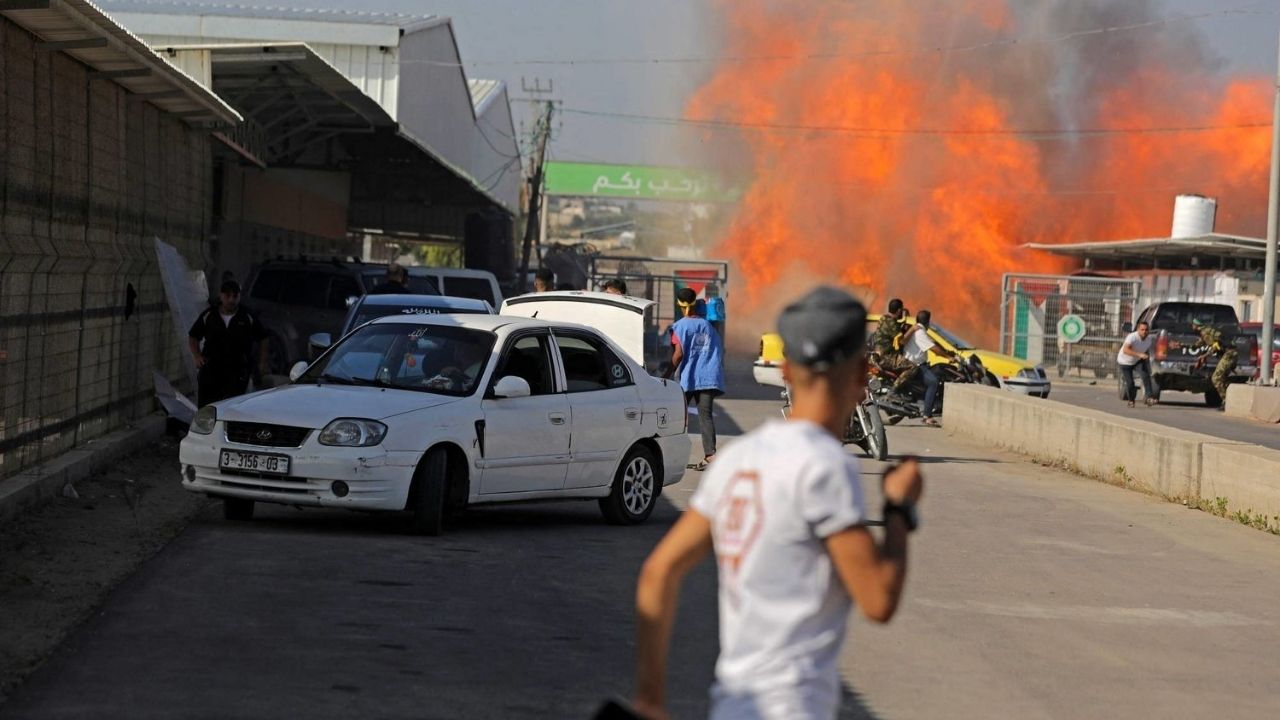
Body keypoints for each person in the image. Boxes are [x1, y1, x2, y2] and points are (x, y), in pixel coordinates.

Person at [633, 286, 923, 720]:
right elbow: (878, 599)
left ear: (786, 371)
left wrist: (650, 700)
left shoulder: (737, 460)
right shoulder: (826, 466)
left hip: (731, 706)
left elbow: (658, 574)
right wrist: (899, 509)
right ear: (863, 375)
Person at [666, 287, 725, 470]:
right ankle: (710, 456)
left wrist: (665, 374)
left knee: (677, 417)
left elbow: (678, 355)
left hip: (689, 378)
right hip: (709, 376)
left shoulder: (679, 326)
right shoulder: (708, 325)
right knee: (705, 416)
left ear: (679, 304)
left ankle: (670, 457)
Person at [188, 280, 269, 407]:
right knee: (207, 407)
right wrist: (197, 356)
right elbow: (193, 336)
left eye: (235, 296)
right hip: (211, 369)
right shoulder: (209, 315)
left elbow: (263, 337)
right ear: (221, 296)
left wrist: (262, 362)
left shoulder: (247, 316)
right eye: (227, 296)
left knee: (232, 407)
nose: (231, 300)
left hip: (237, 371)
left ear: (239, 296)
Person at [902, 309, 955, 427]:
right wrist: (948, 357)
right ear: (928, 322)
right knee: (933, 382)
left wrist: (947, 351)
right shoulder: (920, 332)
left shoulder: (918, 330)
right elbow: (933, 348)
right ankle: (927, 415)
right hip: (916, 366)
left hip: (916, 364)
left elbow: (934, 344)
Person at [1191, 317, 1237, 408]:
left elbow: (1215, 346)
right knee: (1222, 379)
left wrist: (1203, 356)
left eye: (1193, 324)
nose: (1191, 326)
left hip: (1229, 353)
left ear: (1197, 326)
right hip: (1230, 354)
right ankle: (1231, 398)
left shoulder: (1206, 333)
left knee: (1216, 378)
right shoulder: (1206, 332)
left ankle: (1226, 401)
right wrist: (1180, 345)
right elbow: (1196, 345)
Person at [871, 298, 914, 387]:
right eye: (901, 310)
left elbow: (895, 328)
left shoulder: (884, 318)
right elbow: (902, 341)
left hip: (880, 355)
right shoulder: (891, 322)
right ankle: (895, 391)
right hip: (886, 357)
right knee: (912, 367)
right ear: (898, 310)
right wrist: (913, 329)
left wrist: (904, 321)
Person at [1117, 321, 1157, 408]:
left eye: (1146, 330)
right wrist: (1139, 354)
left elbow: (1154, 347)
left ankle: (1149, 397)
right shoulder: (1132, 337)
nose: (1144, 332)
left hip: (1137, 361)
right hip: (1124, 362)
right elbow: (1125, 350)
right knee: (1130, 383)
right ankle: (1131, 400)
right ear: (1138, 330)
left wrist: (1172, 345)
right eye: (1142, 330)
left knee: (1145, 376)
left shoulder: (1149, 339)